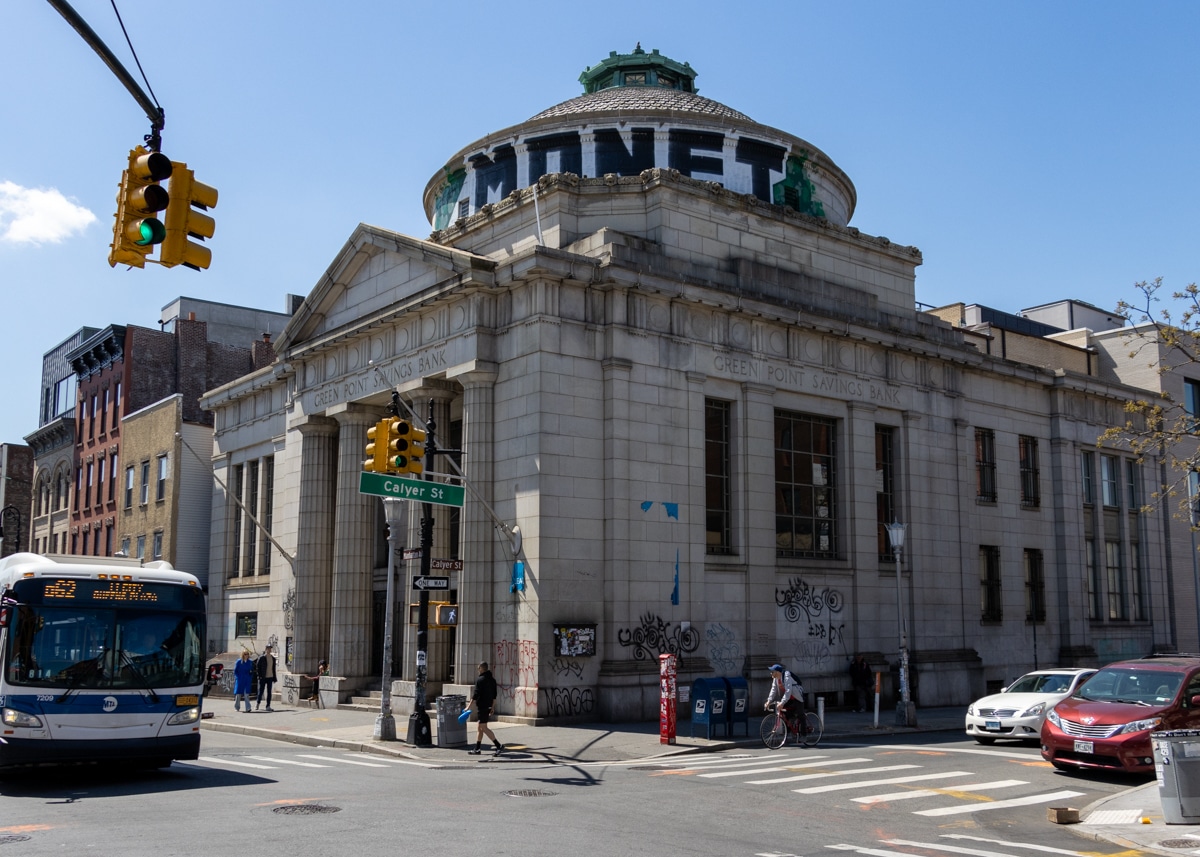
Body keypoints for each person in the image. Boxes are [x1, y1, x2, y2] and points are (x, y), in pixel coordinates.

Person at [467, 661, 503, 755]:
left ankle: (498, 745)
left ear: (482, 669)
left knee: (484, 727)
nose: (478, 670)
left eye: (478, 668)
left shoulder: (480, 680)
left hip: (482, 706)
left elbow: (476, 694)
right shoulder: (492, 680)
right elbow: (494, 695)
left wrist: (468, 706)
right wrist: (492, 707)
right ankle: (477, 748)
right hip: (488, 705)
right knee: (479, 727)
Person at [764, 663, 805, 731]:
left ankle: (804, 735)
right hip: (788, 698)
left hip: (797, 697)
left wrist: (782, 703)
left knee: (801, 715)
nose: (771, 673)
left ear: (777, 672)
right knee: (786, 713)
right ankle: (789, 732)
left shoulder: (786, 675)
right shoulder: (776, 678)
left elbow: (788, 690)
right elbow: (773, 690)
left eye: (772, 672)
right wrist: (768, 701)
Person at [255, 644, 277, 711]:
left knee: (269, 692)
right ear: (266, 649)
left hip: (270, 676)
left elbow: (273, 668)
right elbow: (257, 667)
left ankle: (268, 706)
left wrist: (274, 677)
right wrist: (259, 676)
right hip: (263, 677)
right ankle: (257, 704)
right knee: (261, 691)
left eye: (270, 648)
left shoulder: (273, 658)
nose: (269, 650)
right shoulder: (262, 658)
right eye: (268, 648)